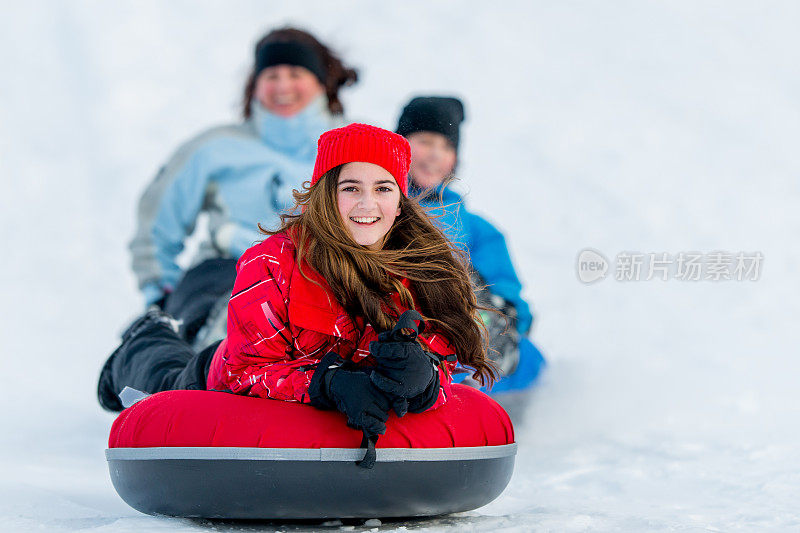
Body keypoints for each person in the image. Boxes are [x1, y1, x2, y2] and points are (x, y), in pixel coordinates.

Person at [98, 124, 496, 464]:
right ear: (326, 194)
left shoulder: (425, 270)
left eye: (383, 188)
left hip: (338, 397)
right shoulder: (272, 262)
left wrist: (422, 377)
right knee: (168, 377)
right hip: (230, 375)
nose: (367, 204)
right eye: (350, 188)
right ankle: (145, 338)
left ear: (399, 200)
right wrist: (329, 383)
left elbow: (444, 360)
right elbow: (244, 370)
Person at [129, 27, 357, 348]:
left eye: (295, 73)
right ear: (255, 84)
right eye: (271, 75)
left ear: (321, 82)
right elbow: (159, 218)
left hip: (319, 275)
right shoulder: (216, 148)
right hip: (225, 270)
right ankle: (199, 373)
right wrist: (159, 291)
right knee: (222, 327)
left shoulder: (351, 148)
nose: (282, 86)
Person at [396, 96, 537, 378]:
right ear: (400, 146)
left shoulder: (475, 227)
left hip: (459, 352)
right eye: (424, 141)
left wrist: (506, 315)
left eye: (446, 146)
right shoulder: (374, 210)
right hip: (396, 338)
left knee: (530, 362)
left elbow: (508, 294)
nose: (435, 154)